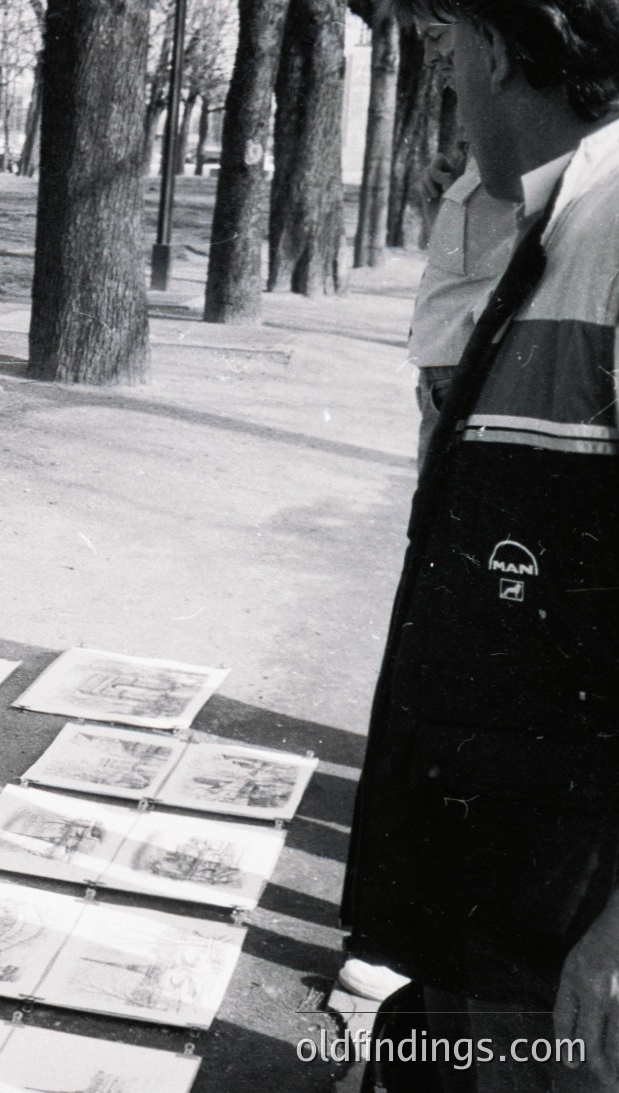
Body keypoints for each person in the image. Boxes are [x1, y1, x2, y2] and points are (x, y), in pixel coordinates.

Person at [342, 0, 619, 1089]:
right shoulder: (562, 217)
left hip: (557, 932)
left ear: (500, 51)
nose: (445, 81)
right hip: (505, 901)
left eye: (451, 46)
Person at [406, 140, 520, 467]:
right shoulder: (474, 151)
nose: (448, 85)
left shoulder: (517, 141)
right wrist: (437, 212)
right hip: (441, 361)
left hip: (467, 366)